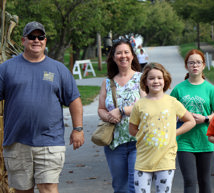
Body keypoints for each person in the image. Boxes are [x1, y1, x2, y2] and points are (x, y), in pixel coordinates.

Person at [0, 21, 84, 193]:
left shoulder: (58, 69)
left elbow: (74, 99)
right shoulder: (6, 69)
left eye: (40, 37)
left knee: (48, 188)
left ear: (45, 41)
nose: (36, 40)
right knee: (23, 190)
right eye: (32, 37)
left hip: (49, 141)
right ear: (23, 40)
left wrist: (78, 129)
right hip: (17, 141)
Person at [129, 63, 196, 193]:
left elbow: (191, 121)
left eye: (159, 78)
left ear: (165, 80)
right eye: (151, 78)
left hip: (166, 160)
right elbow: (132, 129)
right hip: (143, 160)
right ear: (145, 82)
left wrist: (174, 133)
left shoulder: (172, 102)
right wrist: (146, 136)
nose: (156, 81)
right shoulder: (139, 105)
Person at [170, 49, 214, 193]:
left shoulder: (210, 89)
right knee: (190, 181)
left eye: (198, 62)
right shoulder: (179, 89)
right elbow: (170, 113)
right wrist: (181, 117)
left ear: (203, 65)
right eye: (191, 62)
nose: (195, 65)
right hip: (184, 140)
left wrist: (205, 118)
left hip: (205, 140)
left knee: (205, 181)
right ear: (186, 66)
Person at [98, 38, 146, 193]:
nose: (123, 56)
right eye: (119, 53)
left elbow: (147, 105)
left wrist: (122, 110)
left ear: (132, 55)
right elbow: (101, 109)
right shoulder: (108, 82)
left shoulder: (142, 79)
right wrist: (108, 116)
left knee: (137, 187)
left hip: (138, 141)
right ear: (113, 57)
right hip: (114, 143)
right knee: (120, 187)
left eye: (126, 52)